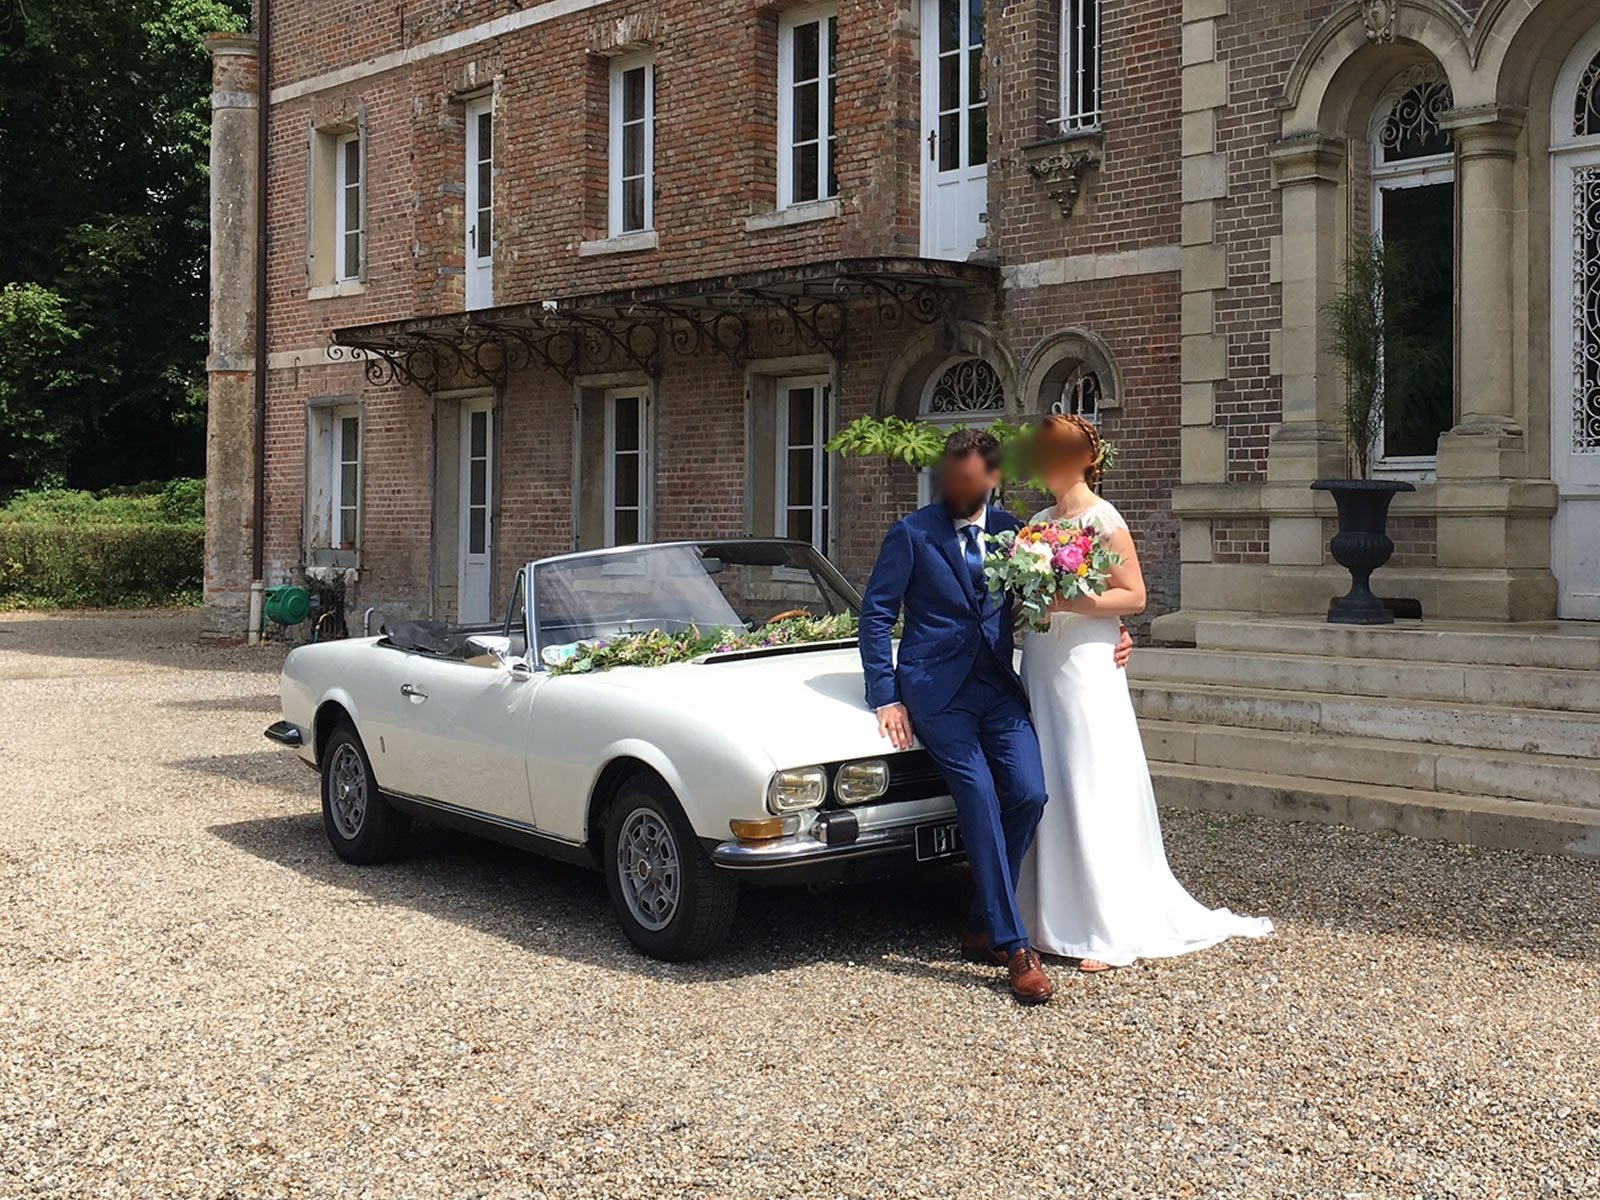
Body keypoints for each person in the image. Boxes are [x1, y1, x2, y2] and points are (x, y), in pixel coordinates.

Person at [859, 428, 1133, 1004]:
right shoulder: (911, 533)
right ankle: (1014, 946)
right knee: (980, 794)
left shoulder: (1016, 532)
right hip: (937, 694)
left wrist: (1115, 630)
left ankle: (983, 916)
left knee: (1030, 793)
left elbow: (1057, 592)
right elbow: (877, 615)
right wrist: (886, 696)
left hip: (999, 688)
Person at [1015, 414, 1274, 970]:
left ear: (1086, 458)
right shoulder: (1035, 524)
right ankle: (1049, 918)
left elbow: (1133, 596)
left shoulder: (1104, 518)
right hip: (1042, 660)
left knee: (1089, 775)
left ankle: (1105, 925)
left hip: (1085, 664)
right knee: (1050, 777)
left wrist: (1069, 601)